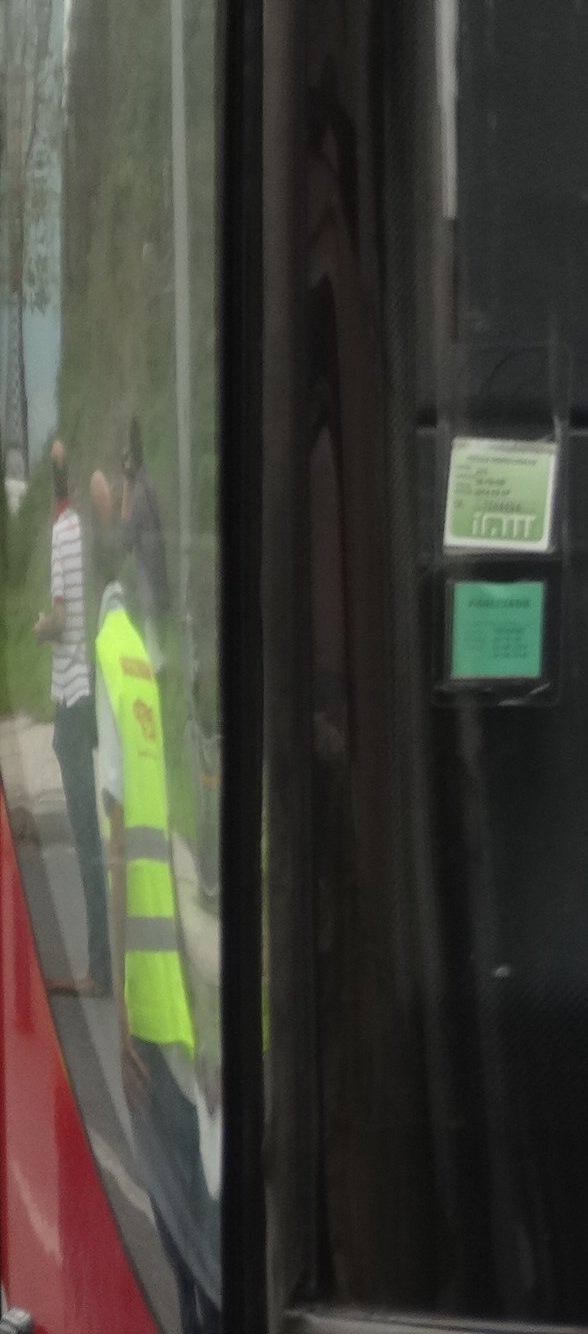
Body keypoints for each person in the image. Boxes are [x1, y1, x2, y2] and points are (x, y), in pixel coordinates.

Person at [95, 550, 219, 1328]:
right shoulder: (181, 660)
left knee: (194, 1251)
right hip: (209, 1008)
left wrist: (118, 1010)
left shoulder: (117, 656)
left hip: (166, 1012)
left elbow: (120, 847)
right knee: (212, 1232)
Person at [30, 438, 108, 994]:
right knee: (91, 835)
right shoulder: (83, 531)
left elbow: (59, 620)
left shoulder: (60, 535)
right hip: (89, 690)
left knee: (85, 839)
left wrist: (41, 630)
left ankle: (97, 970)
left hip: (71, 693)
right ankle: (103, 960)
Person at [118, 416, 173, 668]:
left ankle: (156, 663)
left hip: (148, 571)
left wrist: (125, 490)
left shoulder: (139, 492)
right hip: (156, 563)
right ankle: (157, 658)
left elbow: (126, 540)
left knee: (150, 621)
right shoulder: (149, 483)